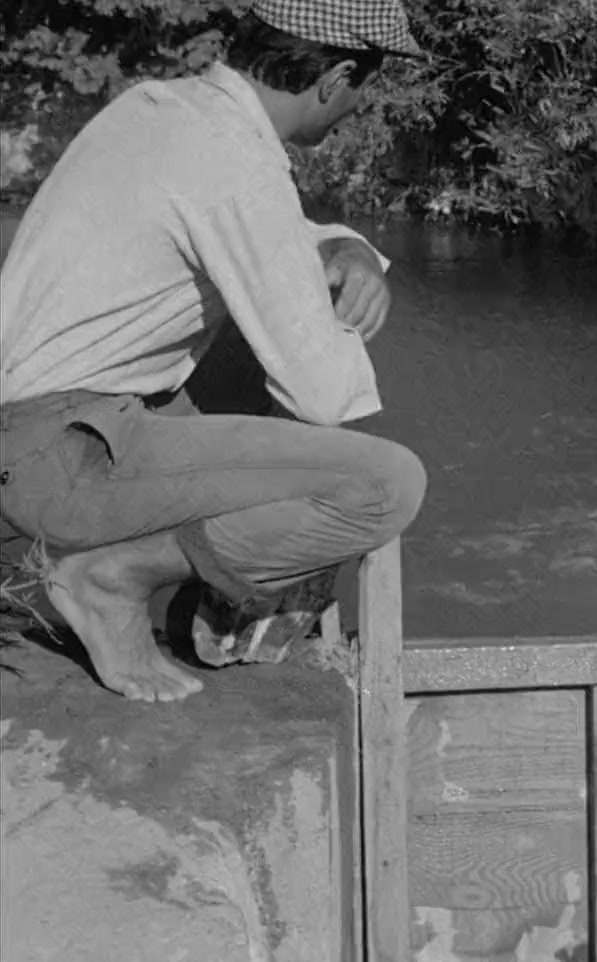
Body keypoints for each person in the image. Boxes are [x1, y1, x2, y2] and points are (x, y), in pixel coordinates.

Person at [0, 0, 430, 703]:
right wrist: (340, 316)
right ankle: (112, 580)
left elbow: (262, 235)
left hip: (37, 438)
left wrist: (348, 247)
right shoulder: (238, 163)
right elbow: (324, 394)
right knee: (384, 485)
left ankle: (198, 601)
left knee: (248, 335)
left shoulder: (162, 108)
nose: (357, 109)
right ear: (336, 78)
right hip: (65, 455)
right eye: (363, 89)